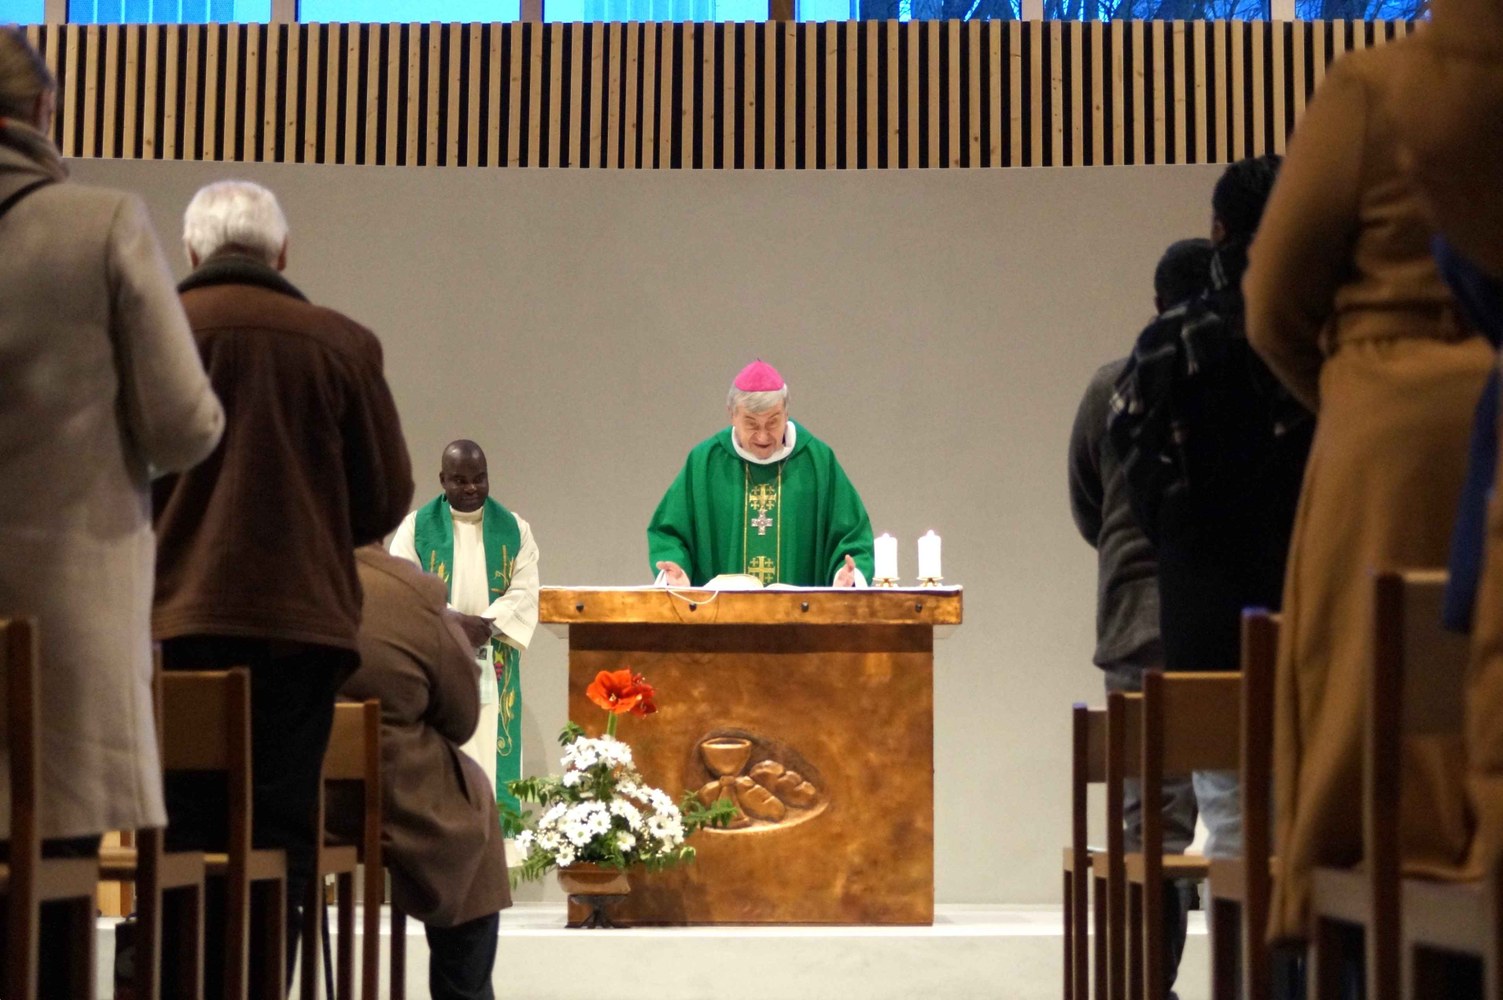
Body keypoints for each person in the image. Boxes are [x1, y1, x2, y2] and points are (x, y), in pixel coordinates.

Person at [1243, 34, 1493, 956]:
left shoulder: (1378, 85)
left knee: (1366, 689)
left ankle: (1358, 928)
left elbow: (1273, 300)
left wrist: (1353, 396)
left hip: (1394, 442)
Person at [0, 27, 224, 994]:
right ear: (44, 110)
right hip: (61, 623)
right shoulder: (100, 225)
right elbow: (184, 425)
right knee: (54, 884)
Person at [152, 179, 413, 997]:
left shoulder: (154, 331)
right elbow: (384, 498)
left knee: (178, 832)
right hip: (300, 632)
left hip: (170, 626)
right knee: (280, 834)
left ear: (191, 249)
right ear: (283, 252)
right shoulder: (341, 345)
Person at [1068, 237, 1213, 994]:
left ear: (1155, 304)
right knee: (1258, 820)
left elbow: (1088, 501)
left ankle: (1149, 988)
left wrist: (1129, 552)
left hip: (1139, 618)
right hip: (1233, 615)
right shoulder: (1245, 374)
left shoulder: (1113, 384)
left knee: (1150, 824)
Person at [330, 546, 511, 1000]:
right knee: (470, 811)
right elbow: (461, 718)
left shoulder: (264, 575)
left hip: (259, 796)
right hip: (384, 794)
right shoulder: (405, 591)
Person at [389, 439, 540, 821]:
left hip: (495, 658)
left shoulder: (515, 529)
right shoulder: (415, 528)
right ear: (443, 480)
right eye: (460, 480)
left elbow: (525, 590)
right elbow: (405, 586)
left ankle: (496, 848)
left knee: (493, 759)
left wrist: (486, 626)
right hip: (439, 660)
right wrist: (454, 622)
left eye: (479, 478)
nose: (472, 487)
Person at [648, 360, 875, 587]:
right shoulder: (704, 463)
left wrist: (846, 576)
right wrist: (677, 570)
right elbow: (670, 533)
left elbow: (852, 536)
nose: (763, 436)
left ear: (786, 413)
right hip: (721, 610)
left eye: (772, 422)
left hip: (800, 611)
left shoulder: (818, 462)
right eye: (752, 424)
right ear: (732, 415)